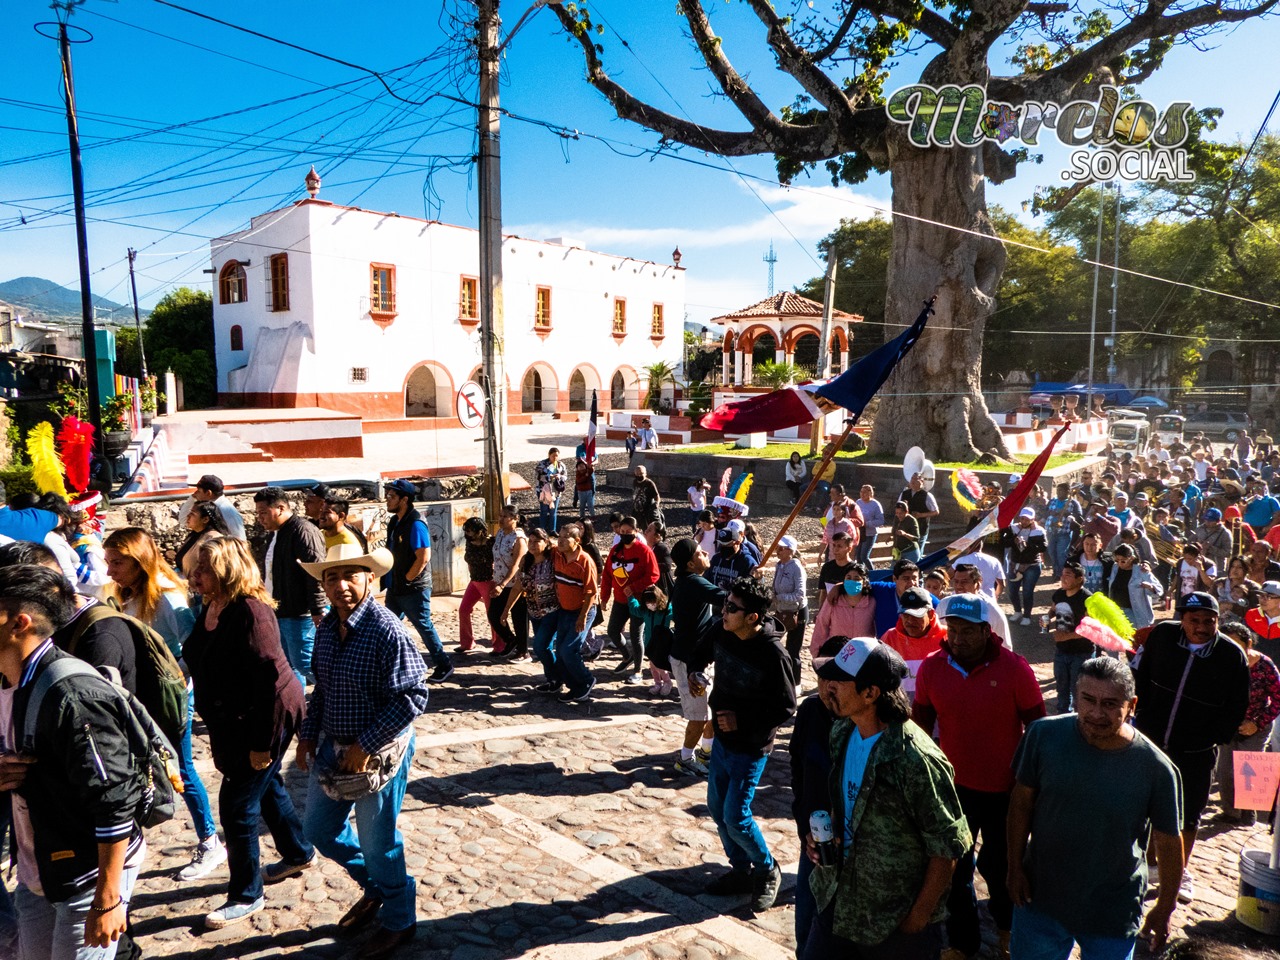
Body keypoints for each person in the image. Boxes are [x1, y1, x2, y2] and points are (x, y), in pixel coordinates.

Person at [0, 565, 148, 960]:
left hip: (86, 875)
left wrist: (107, 898)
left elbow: (115, 798)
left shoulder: (72, 694)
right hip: (39, 871)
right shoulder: (8, 681)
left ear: (19, 622)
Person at [296, 542, 429, 960]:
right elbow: (323, 690)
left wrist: (364, 745)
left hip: (378, 754)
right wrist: (307, 734)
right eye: (331, 577)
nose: (340, 585)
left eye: (350, 575)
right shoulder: (324, 628)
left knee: (379, 841)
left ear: (370, 577)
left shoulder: (385, 628)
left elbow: (413, 696)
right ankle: (376, 885)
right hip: (333, 748)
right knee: (318, 830)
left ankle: (398, 919)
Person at [802, 638, 970, 960]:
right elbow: (849, 805)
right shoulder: (842, 731)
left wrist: (916, 920)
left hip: (892, 925)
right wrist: (825, 835)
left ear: (870, 693)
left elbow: (947, 847)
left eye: (839, 681)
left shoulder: (916, 760)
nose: (828, 687)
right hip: (837, 901)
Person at [1007, 657, 1183, 958]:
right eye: (1087, 700)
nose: (1096, 713)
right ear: (1075, 695)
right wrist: (1013, 868)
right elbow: (1020, 805)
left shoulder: (1157, 769)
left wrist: (1164, 906)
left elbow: (1168, 844)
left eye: (1110, 704)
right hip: (1040, 897)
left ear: (1132, 705)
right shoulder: (1041, 736)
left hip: (1113, 910)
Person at [184, 539, 312, 929]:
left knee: (238, 808)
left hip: (264, 718)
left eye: (203, 569)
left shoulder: (252, 613)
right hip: (234, 719)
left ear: (225, 570)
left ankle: (246, 894)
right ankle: (298, 852)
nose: (194, 575)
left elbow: (268, 684)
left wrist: (261, 745)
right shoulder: (213, 604)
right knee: (267, 787)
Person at [913, 593, 1045, 960]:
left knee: (1003, 866)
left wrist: (1032, 786)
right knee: (954, 871)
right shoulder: (931, 668)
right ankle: (961, 943)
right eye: (952, 630)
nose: (957, 639)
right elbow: (919, 728)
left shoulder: (1016, 669)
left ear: (987, 631)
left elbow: (1038, 731)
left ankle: (1008, 929)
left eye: (967, 632)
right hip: (953, 790)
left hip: (1007, 791)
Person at [103, 527, 223, 882]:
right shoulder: (127, 592)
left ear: (139, 560)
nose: (110, 570)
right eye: (108, 562)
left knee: (181, 768)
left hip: (170, 698)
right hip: (141, 696)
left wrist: (170, 677)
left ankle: (210, 841)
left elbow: (195, 647)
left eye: (118, 562)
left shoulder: (168, 597)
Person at [1132, 592, 1250, 904]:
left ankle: (1178, 872)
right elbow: (1140, 676)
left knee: (1187, 817)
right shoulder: (1163, 636)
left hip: (1196, 753)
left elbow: (1238, 705)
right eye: (1194, 620)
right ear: (1182, 618)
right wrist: (1139, 714)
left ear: (1217, 621)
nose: (1201, 627)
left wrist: (1216, 735)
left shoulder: (1231, 655)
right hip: (1151, 743)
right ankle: (1148, 864)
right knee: (1143, 807)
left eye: (1208, 621)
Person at [686, 577, 795, 913]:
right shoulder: (722, 629)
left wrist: (743, 722)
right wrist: (694, 674)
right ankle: (740, 870)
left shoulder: (774, 654)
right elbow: (699, 653)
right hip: (722, 741)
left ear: (753, 618)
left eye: (732, 608)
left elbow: (786, 707)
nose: (724, 611)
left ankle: (766, 869)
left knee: (736, 814)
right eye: (725, 604)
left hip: (751, 746)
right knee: (718, 808)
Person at [788, 636, 847, 956]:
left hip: (855, 851)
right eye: (821, 676)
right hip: (814, 843)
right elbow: (798, 770)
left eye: (835, 678)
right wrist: (804, 827)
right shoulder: (810, 711)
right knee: (805, 929)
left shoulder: (864, 723)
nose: (826, 686)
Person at [253, 487, 327, 688]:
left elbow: (315, 572)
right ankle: (298, 710)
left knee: (306, 663)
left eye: (263, 512)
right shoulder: (275, 533)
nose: (260, 518)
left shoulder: (302, 531)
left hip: (300, 613)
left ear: (280, 508)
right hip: (280, 610)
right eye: (258, 513)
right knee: (288, 665)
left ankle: (342, 696)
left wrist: (317, 609)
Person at [382, 479, 453, 684]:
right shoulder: (395, 521)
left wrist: (407, 579)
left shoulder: (415, 523)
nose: (387, 499)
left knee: (423, 625)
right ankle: (392, 665)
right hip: (396, 587)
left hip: (413, 588)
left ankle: (443, 664)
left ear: (404, 500)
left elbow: (424, 556)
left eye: (392, 496)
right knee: (388, 626)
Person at [1214, 621, 1280, 823]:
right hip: (1229, 724)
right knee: (1225, 770)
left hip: (1257, 726)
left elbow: (1278, 699)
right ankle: (1230, 813)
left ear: (1248, 643)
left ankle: (1248, 815)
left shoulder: (1265, 665)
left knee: (1249, 769)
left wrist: (1257, 724)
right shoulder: (1221, 663)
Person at [668, 538, 721, 775]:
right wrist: (751, 582)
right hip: (689, 662)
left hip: (700, 657)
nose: (706, 553)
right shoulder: (693, 583)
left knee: (710, 709)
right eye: (700, 552)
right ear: (690, 564)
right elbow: (725, 598)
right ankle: (685, 758)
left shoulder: (690, 581)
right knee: (699, 716)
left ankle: (706, 752)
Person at [601, 516, 659, 684]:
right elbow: (606, 575)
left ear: (636, 532)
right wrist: (604, 597)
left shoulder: (644, 551)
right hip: (619, 600)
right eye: (622, 531)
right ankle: (627, 656)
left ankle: (638, 670)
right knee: (612, 631)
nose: (625, 534)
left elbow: (653, 575)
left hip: (638, 601)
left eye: (628, 532)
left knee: (636, 636)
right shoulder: (615, 551)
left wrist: (634, 587)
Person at [550, 524, 600, 704]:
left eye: (566, 538)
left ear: (577, 540)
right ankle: (573, 686)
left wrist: (582, 617)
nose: (561, 541)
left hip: (582, 611)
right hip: (565, 610)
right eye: (559, 537)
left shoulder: (585, 561)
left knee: (569, 650)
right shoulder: (557, 554)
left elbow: (591, 593)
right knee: (561, 650)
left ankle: (586, 680)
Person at [505, 528, 560, 688]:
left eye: (537, 541)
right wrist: (506, 609)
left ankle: (557, 675)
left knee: (539, 646)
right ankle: (553, 679)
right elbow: (517, 587)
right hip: (534, 612)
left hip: (551, 611)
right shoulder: (526, 561)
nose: (533, 545)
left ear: (546, 542)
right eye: (531, 541)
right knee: (545, 647)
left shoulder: (553, 559)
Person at [879, 586, 947, 697]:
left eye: (916, 615)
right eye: (906, 615)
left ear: (930, 614)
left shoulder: (947, 638)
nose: (910, 621)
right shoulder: (889, 638)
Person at [1047, 561, 1094, 713]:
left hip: (1082, 653)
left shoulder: (1087, 599)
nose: (1063, 578)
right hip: (1061, 651)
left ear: (1080, 579)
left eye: (1068, 575)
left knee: (1078, 691)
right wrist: (1047, 619)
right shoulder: (1059, 594)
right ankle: (1062, 717)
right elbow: (1053, 610)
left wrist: (1065, 637)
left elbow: (1090, 629)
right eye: (1062, 575)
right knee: (1061, 689)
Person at [488, 505, 528, 659]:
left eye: (505, 516)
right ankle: (511, 641)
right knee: (494, 615)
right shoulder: (500, 534)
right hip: (499, 581)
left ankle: (523, 651)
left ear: (515, 519)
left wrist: (503, 584)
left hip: (514, 584)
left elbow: (517, 564)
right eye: (500, 515)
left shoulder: (518, 538)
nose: (501, 519)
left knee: (518, 618)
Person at [811, 564, 876, 658]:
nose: (852, 581)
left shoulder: (872, 603)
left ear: (864, 582)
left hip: (863, 656)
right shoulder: (833, 600)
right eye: (848, 577)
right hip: (836, 655)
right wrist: (817, 652)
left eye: (856, 578)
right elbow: (821, 623)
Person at [1003, 508, 1048, 626]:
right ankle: (1017, 611)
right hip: (1015, 564)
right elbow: (1004, 542)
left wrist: (1028, 545)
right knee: (1012, 591)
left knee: (1027, 592)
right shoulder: (1013, 528)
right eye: (1022, 518)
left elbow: (1043, 547)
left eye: (1027, 519)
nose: (1024, 521)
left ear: (1032, 519)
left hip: (1032, 565)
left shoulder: (1039, 531)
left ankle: (1027, 615)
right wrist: (1014, 540)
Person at [772, 535, 807, 681]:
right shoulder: (779, 565)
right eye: (777, 548)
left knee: (793, 650)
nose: (777, 551)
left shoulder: (797, 568)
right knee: (774, 644)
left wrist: (779, 598)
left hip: (796, 612)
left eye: (781, 548)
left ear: (790, 550)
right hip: (781, 611)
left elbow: (799, 594)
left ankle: (796, 682)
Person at [457, 517, 494, 653]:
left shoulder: (491, 543)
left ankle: (498, 644)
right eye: (467, 531)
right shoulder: (470, 543)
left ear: (480, 531)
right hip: (475, 581)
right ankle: (467, 643)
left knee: (492, 614)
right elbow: (469, 562)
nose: (468, 534)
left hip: (488, 580)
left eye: (471, 531)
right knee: (464, 610)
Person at [1106, 544, 1164, 628]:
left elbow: (1159, 589)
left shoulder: (1141, 570)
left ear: (1132, 558)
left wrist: (1150, 587)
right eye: (1117, 560)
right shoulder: (1115, 568)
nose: (1119, 563)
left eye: (1123, 561)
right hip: (1116, 611)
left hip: (1134, 614)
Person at [174, 500, 230, 583]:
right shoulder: (194, 535)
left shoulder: (214, 539)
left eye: (192, 514)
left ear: (205, 519)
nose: (188, 516)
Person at [178, 473, 246, 540]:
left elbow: (240, 540)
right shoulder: (205, 506)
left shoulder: (228, 512)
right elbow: (184, 520)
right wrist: (192, 498)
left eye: (199, 491)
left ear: (208, 493)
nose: (195, 493)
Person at [1045, 482, 1082, 578]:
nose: (1058, 492)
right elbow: (1045, 511)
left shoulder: (1073, 502)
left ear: (1067, 491)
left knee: (1061, 554)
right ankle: (1056, 571)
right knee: (1051, 552)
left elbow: (1079, 516)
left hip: (1064, 532)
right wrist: (1051, 513)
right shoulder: (1052, 501)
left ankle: (1062, 574)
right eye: (1057, 490)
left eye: (1061, 490)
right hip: (1051, 531)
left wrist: (1068, 514)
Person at [898, 473, 941, 552]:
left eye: (915, 479)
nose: (913, 481)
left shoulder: (927, 495)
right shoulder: (904, 493)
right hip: (906, 528)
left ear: (922, 481)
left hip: (921, 528)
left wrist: (921, 515)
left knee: (917, 552)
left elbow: (936, 511)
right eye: (912, 479)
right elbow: (897, 508)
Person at [708, 525, 755, 591]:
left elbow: (752, 588)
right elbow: (707, 580)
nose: (724, 547)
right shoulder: (716, 559)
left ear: (737, 542)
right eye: (721, 544)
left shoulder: (747, 562)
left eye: (727, 544)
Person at [1245, 580, 1280, 662]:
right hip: (1255, 665)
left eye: (1268, 596)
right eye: (1261, 595)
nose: (1263, 600)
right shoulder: (1252, 615)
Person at [535, 447, 567, 533]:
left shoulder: (561, 465)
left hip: (555, 491)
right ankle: (542, 530)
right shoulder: (542, 464)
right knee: (544, 510)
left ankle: (553, 529)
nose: (555, 458)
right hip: (543, 491)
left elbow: (565, 476)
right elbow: (537, 476)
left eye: (557, 456)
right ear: (549, 455)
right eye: (553, 456)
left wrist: (560, 477)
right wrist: (549, 477)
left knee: (553, 511)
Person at [856, 485, 885, 567]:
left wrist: (867, 523)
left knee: (864, 556)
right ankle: (860, 573)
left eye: (865, 492)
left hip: (870, 534)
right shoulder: (858, 502)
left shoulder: (876, 505)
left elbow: (880, 521)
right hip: (859, 532)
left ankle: (872, 573)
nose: (862, 494)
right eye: (861, 492)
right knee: (858, 557)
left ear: (870, 493)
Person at [632, 465, 662, 530]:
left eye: (641, 473)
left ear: (645, 473)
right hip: (637, 510)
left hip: (647, 511)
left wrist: (656, 505)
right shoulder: (635, 482)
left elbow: (657, 496)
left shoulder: (649, 483)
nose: (639, 475)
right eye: (637, 474)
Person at [575, 450, 597, 520]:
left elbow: (591, 471)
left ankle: (593, 516)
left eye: (582, 465)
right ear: (577, 468)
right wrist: (585, 476)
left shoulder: (587, 472)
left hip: (588, 490)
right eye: (579, 466)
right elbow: (579, 480)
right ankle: (582, 516)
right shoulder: (578, 474)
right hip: (581, 492)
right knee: (582, 505)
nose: (581, 467)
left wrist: (591, 466)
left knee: (590, 504)